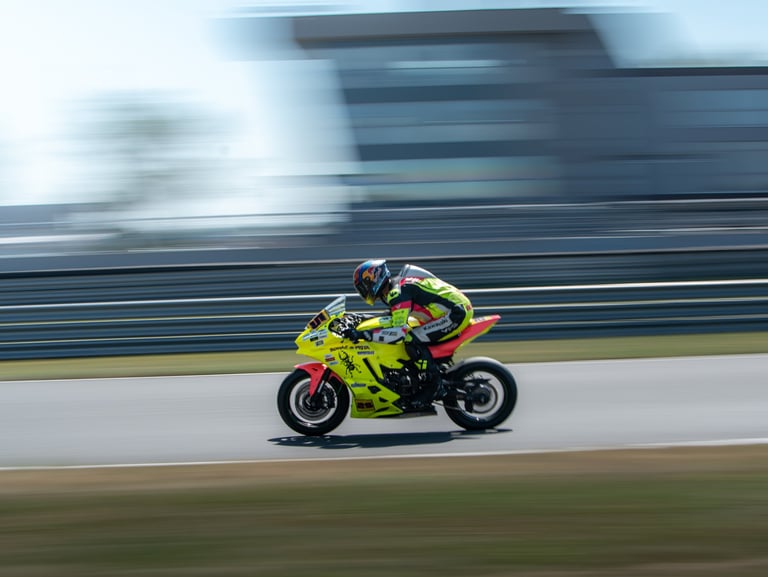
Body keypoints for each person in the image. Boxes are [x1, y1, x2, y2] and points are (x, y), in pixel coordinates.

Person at [347, 259, 473, 402]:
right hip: (447, 311)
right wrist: (361, 319)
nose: (363, 291)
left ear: (374, 279)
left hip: (454, 313)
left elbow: (398, 333)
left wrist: (364, 334)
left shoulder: (397, 292)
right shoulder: (396, 287)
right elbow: (392, 315)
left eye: (364, 286)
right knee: (413, 335)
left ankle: (434, 386)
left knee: (411, 339)